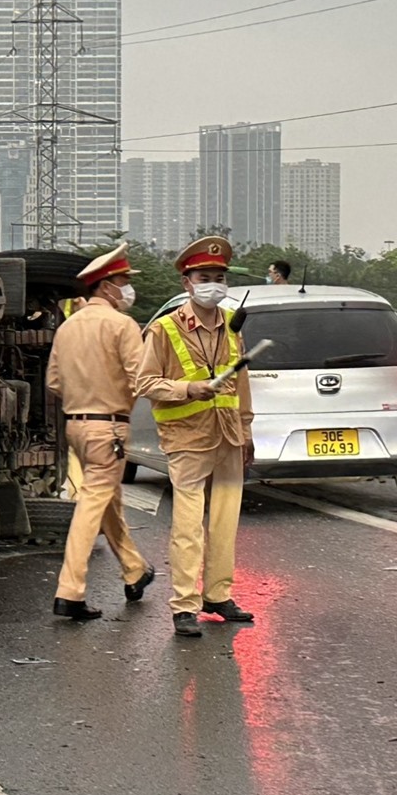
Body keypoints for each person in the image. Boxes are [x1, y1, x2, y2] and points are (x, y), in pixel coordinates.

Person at [137, 236, 256, 639]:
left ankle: (218, 595)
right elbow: (145, 382)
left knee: (225, 520)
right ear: (187, 283)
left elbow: (241, 382)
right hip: (187, 437)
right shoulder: (164, 329)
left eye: (220, 277)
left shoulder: (232, 327)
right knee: (188, 525)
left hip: (227, 435)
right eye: (205, 277)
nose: (214, 284)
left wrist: (247, 428)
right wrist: (188, 389)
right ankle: (184, 605)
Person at [46, 244, 156, 622]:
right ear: (107, 287)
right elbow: (140, 378)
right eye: (124, 282)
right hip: (109, 426)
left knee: (108, 500)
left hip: (76, 425)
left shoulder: (67, 327)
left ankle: (134, 570)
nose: (128, 289)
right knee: (92, 505)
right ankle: (70, 591)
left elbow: (54, 381)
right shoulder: (122, 325)